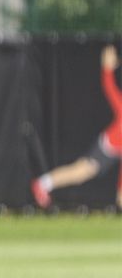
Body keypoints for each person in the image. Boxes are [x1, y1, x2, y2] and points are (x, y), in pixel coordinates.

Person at [31, 45, 122, 209]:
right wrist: (107, 68)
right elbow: (110, 89)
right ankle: (42, 184)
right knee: (80, 173)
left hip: (116, 151)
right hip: (106, 149)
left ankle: (43, 184)